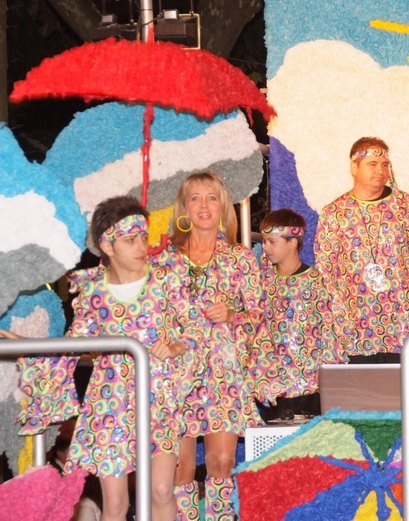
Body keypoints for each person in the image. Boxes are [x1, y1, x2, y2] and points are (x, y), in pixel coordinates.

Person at [2, 196, 197, 521]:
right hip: (111, 404)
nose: (141, 246)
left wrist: (176, 346)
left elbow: (194, 329)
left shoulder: (166, 280)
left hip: (159, 399)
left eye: (143, 237)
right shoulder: (94, 292)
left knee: (162, 489)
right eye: (130, 240)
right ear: (107, 245)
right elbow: (73, 345)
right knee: (116, 505)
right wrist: (30, 346)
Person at [153, 170, 263, 520]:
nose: (204, 206)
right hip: (176, 374)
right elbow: (149, 316)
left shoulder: (240, 258)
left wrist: (232, 315)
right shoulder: (164, 261)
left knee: (222, 462)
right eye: (195, 198)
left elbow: (259, 316)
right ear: (183, 208)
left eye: (212, 198)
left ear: (223, 207)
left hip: (223, 373)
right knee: (180, 468)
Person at [314, 136, 409, 408]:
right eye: (372, 164)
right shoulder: (334, 214)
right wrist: (338, 316)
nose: (380, 170)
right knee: (363, 409)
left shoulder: (408, 207)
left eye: (385, 164)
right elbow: (325, 270)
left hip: (405, 324)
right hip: (356, 328)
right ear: (354, 167)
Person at [252, 209, 351, 421]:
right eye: (264, 241)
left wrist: (327, 372)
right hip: (273, 384)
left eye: (272, 242)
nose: (265, 247)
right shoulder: (264, 282)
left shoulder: (316, 281)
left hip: (309, 384)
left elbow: (330, 330)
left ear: (292, 242)